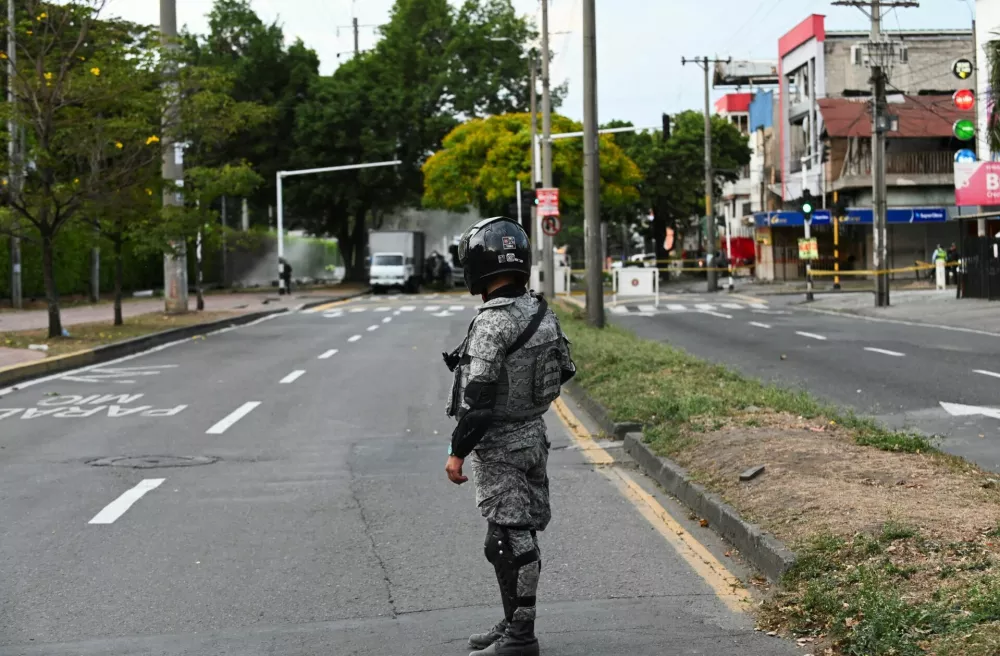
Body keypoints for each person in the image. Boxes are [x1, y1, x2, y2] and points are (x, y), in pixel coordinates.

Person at [443, 216, 576, 656]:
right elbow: (566, 369)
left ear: (478, 266)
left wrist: (456, 453)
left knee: (511, 538)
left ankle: (522, 637)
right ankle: (510, 622)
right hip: (534, 436)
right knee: (502, 539)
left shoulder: (491, 323)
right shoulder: (541, 312)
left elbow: (477, 401)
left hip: (500, 445)